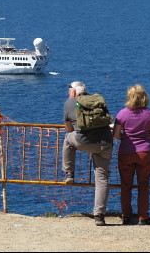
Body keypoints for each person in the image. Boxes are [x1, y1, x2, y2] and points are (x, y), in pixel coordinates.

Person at [62, 81, 113, 226]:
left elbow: (68, 129)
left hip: (84, 142)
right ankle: (99, 216)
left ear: (73, 91)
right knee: (102, 179)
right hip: (105, 143)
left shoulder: (70, 103)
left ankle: (69, 173)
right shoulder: (97, 101)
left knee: (67, 139)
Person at [113, 84, 150, 226]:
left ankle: (126, 215)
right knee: (143, 185)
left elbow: (115, 135)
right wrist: (145, 138)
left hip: (126, 152)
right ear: (144, 97)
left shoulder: (122, 114)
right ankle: (143, 217)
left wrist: (126, 138)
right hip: (145, 152)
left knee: (126, 185)